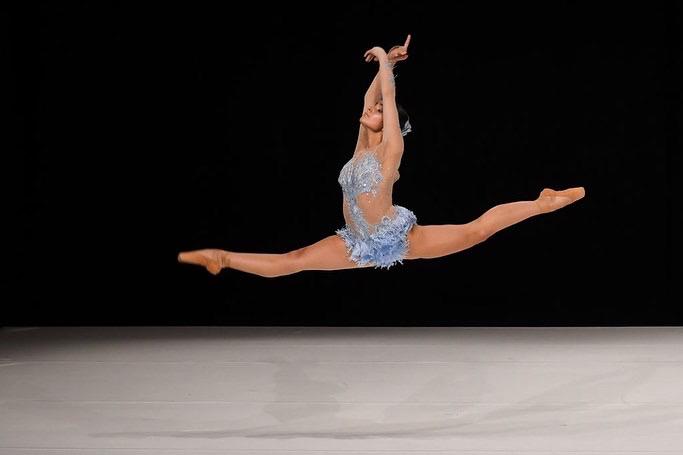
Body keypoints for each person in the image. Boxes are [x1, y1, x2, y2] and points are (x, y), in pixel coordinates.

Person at [178, 35, 585, 277]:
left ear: (389, 122)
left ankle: (540, 203)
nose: (370, 110)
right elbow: (371, 96)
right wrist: (386, 62)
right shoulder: (361, 148)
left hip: (395, 238)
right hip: (357, 241)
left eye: (376, 113)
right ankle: (223, 258)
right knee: (295, 260)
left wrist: (383, 59)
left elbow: (386, 98)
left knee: (475, 232)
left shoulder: (392, 148)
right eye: (371, 111)